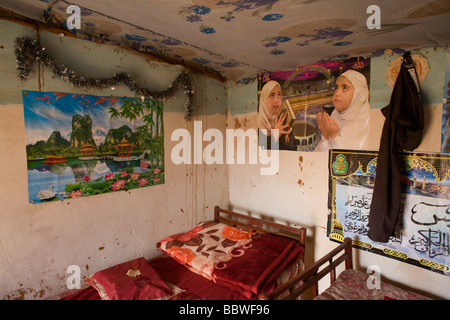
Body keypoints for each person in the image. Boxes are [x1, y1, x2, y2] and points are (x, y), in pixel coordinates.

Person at [315, 69, 370, 152]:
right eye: (336, 87)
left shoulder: (366, 124)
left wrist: (335, 136)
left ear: (358, 94)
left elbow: (350, 161)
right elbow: (318, 159)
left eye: (345, 88)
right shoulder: (334, 118)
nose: (337, 93)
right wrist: (325, 136)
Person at [258, 80, 297, 150]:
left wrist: (286, 137)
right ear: (264, 99)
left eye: (279, 95)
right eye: (272, 95)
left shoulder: (282, 119)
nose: (276, 100)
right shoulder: (258, 125)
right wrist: (275, 135)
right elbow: (262, 156)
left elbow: (293, 150)